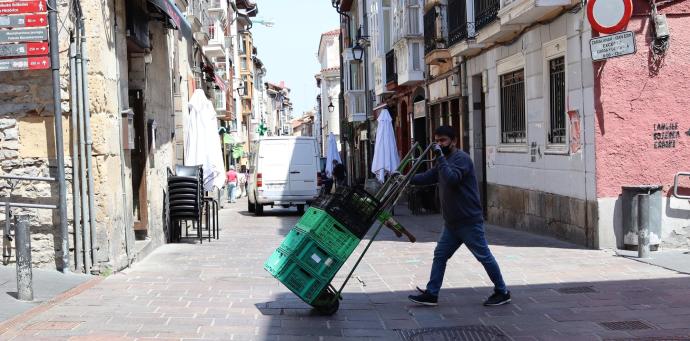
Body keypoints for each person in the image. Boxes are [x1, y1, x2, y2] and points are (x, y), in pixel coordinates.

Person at [408, 126, 510, 307]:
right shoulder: (444, 159)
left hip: (468, 220)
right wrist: (407, 178)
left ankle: (502, 291)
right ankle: (432, 294)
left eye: (443, 141)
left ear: (453, 141)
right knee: (440, 255)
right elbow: (430, 176)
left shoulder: (461, 159)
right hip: (452, 223)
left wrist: (439, 157)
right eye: (437, 141)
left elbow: (452, 178)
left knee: (483, 256)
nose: (439, 145)